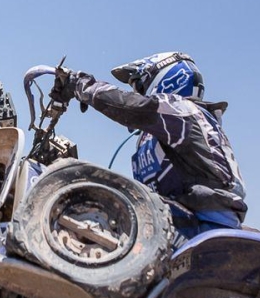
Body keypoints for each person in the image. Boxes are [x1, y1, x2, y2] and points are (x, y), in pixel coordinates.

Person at [51, 51, 247, 242]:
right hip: (181, 220)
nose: (137, 93)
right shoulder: (161, 135)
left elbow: (134, 106)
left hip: (206, 224)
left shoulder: (185, 111)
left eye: (139, 86)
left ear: (169, 78)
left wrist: (79, 84)